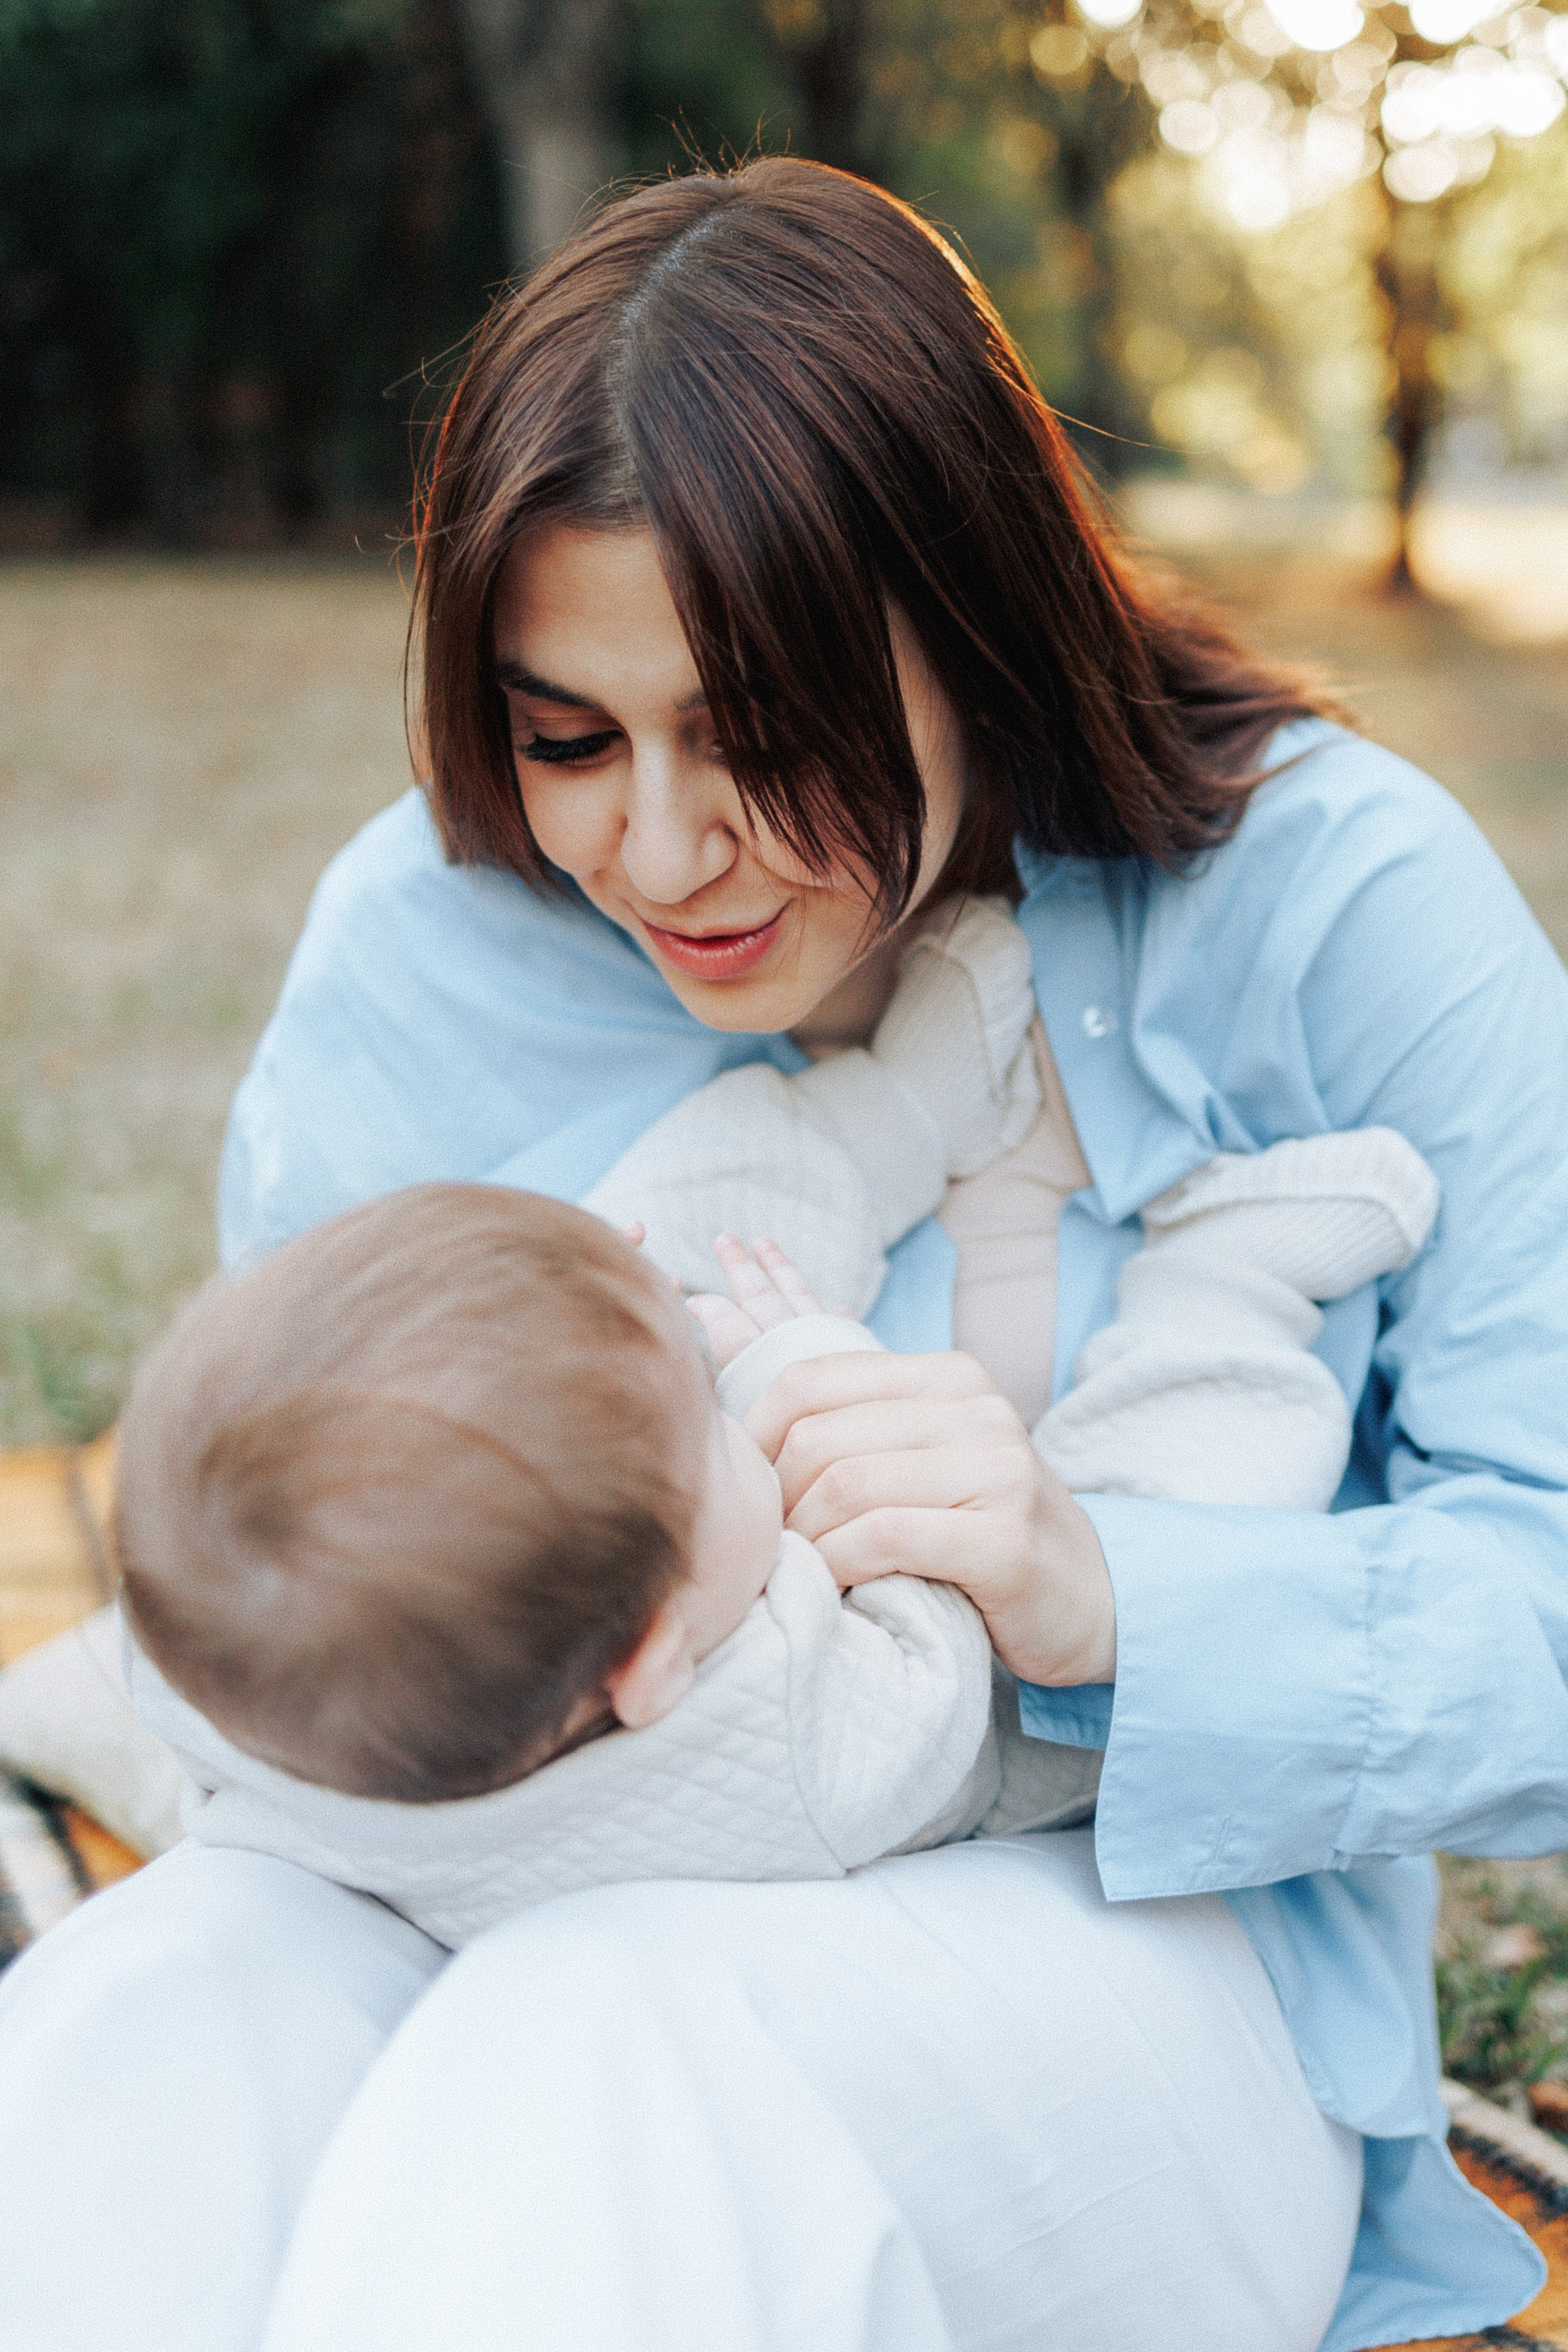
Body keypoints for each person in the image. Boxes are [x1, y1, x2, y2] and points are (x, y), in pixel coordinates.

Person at [1, 153, 1565, 2352]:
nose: (658, 848)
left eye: (762, 736)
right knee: (134, 2025)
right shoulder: (420, 950)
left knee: (612, 2052)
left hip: (1130, 1951)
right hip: (493, 1866)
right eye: (568, 739)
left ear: (980, 629)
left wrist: (1101, 1587)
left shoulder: (1333, 907)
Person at [118, 1112, 1434, 1942]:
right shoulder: (794, 1748)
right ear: (651, 1663)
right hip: (999, 1711)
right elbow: (944, 1614)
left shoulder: (236, 1687)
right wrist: (802, 1355)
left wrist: (617, 1299)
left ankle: (878, 1111)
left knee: (595, 1278)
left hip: (568, 1626)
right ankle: (1226, 1277)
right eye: (711, 1414)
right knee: (1161, 1510)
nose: (722, 1378)